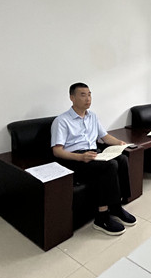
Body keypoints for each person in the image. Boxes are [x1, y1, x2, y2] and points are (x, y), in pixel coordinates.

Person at [51, 82, 136, 236]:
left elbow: (105, 136)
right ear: (72, 98)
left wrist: (120, 143)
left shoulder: (93, 116)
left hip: (93, 154)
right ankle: (101, 218)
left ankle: (116, 207)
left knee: (122, 159)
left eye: (89, 94)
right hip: (74, 159)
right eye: (83, 95)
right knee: (110, 166)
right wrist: (80, 157)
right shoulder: (62, 121)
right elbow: (57, 151)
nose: (88, 99)